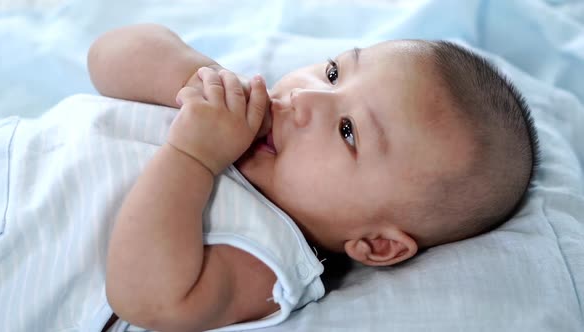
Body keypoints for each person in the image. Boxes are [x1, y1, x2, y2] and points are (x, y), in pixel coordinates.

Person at [87, 23, 541, 331]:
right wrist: (199, 76)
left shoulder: (274, 257)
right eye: (333, 72)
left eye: (348, 131)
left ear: (377, 244)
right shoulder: (224, 109)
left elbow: (146, 298)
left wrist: (191, 157)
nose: (306, 97)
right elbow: (106, 56)